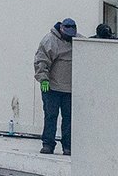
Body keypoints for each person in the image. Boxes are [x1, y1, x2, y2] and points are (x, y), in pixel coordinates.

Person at [33, 17, 75, 156]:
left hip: (70, 89)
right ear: (62, 29)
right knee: (51, 116)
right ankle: (48, 144)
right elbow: (41, 60)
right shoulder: (49, 41)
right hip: (51, 87)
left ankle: (68, 146)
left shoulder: (77, 40)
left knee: (68, 118)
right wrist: (43, 79)